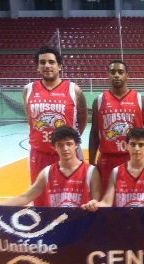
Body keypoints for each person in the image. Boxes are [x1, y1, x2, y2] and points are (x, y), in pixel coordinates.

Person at [24, 45, 88, 206]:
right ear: (37, 67)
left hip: (68, 153)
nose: (47, 66)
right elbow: (30, 118)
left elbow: (83, 117)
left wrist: (71, 139)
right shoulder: (28, 89)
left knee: (73, 197)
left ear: (59, 66)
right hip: (39, 152)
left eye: (51, 62)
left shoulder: (74, 90)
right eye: (42, 62)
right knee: (40, 198)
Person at [0, 126, 100, 208]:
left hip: (81, 227)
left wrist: (93, 204)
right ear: (54, 147)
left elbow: (97, 203)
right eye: (60, 145)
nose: (65, 149)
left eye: (69, 144)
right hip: (55, 227)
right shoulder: (47, 172)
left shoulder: (91, 172)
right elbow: (26, 197)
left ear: (76, 145)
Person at [88, 60, 144, 196]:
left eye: (120, 72)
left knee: (133, 198)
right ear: (108, 75)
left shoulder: (140, 100)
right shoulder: (99, 100)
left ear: (127, 75)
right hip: (107, 159)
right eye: (112, 72)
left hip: (133, 158)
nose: (116, 75)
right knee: (108, 201)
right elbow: (94, 133)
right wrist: (91, 161)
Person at [82, 128, 144, 212]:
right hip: (123, 224)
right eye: (133, 144)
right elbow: (106, 202)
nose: (136, 149)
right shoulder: (116, 172)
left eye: (141, 145)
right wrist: (93, 204)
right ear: (127, 145)